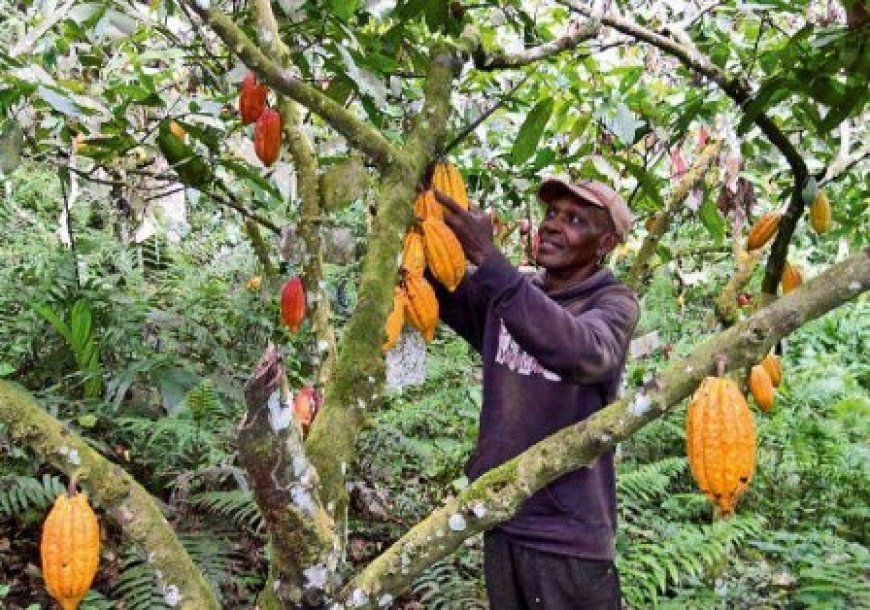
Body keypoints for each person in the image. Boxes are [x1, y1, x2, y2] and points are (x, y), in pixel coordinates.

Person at [431, 178, 639, 610]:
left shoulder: (613, 304)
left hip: (567, 537)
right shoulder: (515, 294)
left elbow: (583, 352)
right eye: (551, 215)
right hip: (502, 516)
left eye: (575, 220)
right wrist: (421, 222)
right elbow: (442, 288)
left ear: (604, 243)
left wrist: (492, 261)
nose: (553, 226)